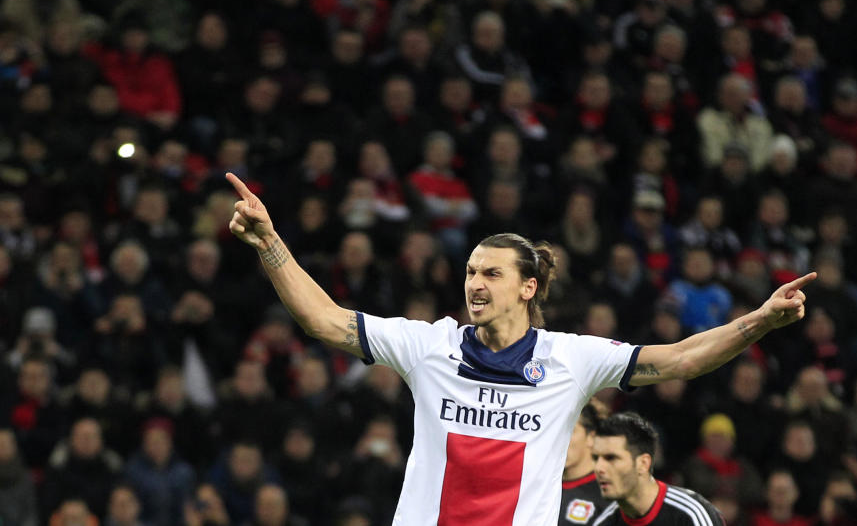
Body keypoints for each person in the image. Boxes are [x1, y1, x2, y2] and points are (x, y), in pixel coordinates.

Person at [225, 172, 815, 525]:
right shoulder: (428, 347)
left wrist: (759, 321)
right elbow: (324, 321)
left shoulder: (571, 359)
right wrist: (269, 243)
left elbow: (680, 358)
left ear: (527, 288)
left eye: (492, 274)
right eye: (470, 271)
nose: (475, 284)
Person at [591, 412, 725, 525]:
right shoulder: (604, 522)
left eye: (611, 458)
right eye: (596, 458)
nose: (598, 468)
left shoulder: (691, 514)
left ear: (643, 464)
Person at [560, 402, 607, 525]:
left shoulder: (609, 493)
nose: (560, 440)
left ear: (591, 437)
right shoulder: (543, 486)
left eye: (569, 431)